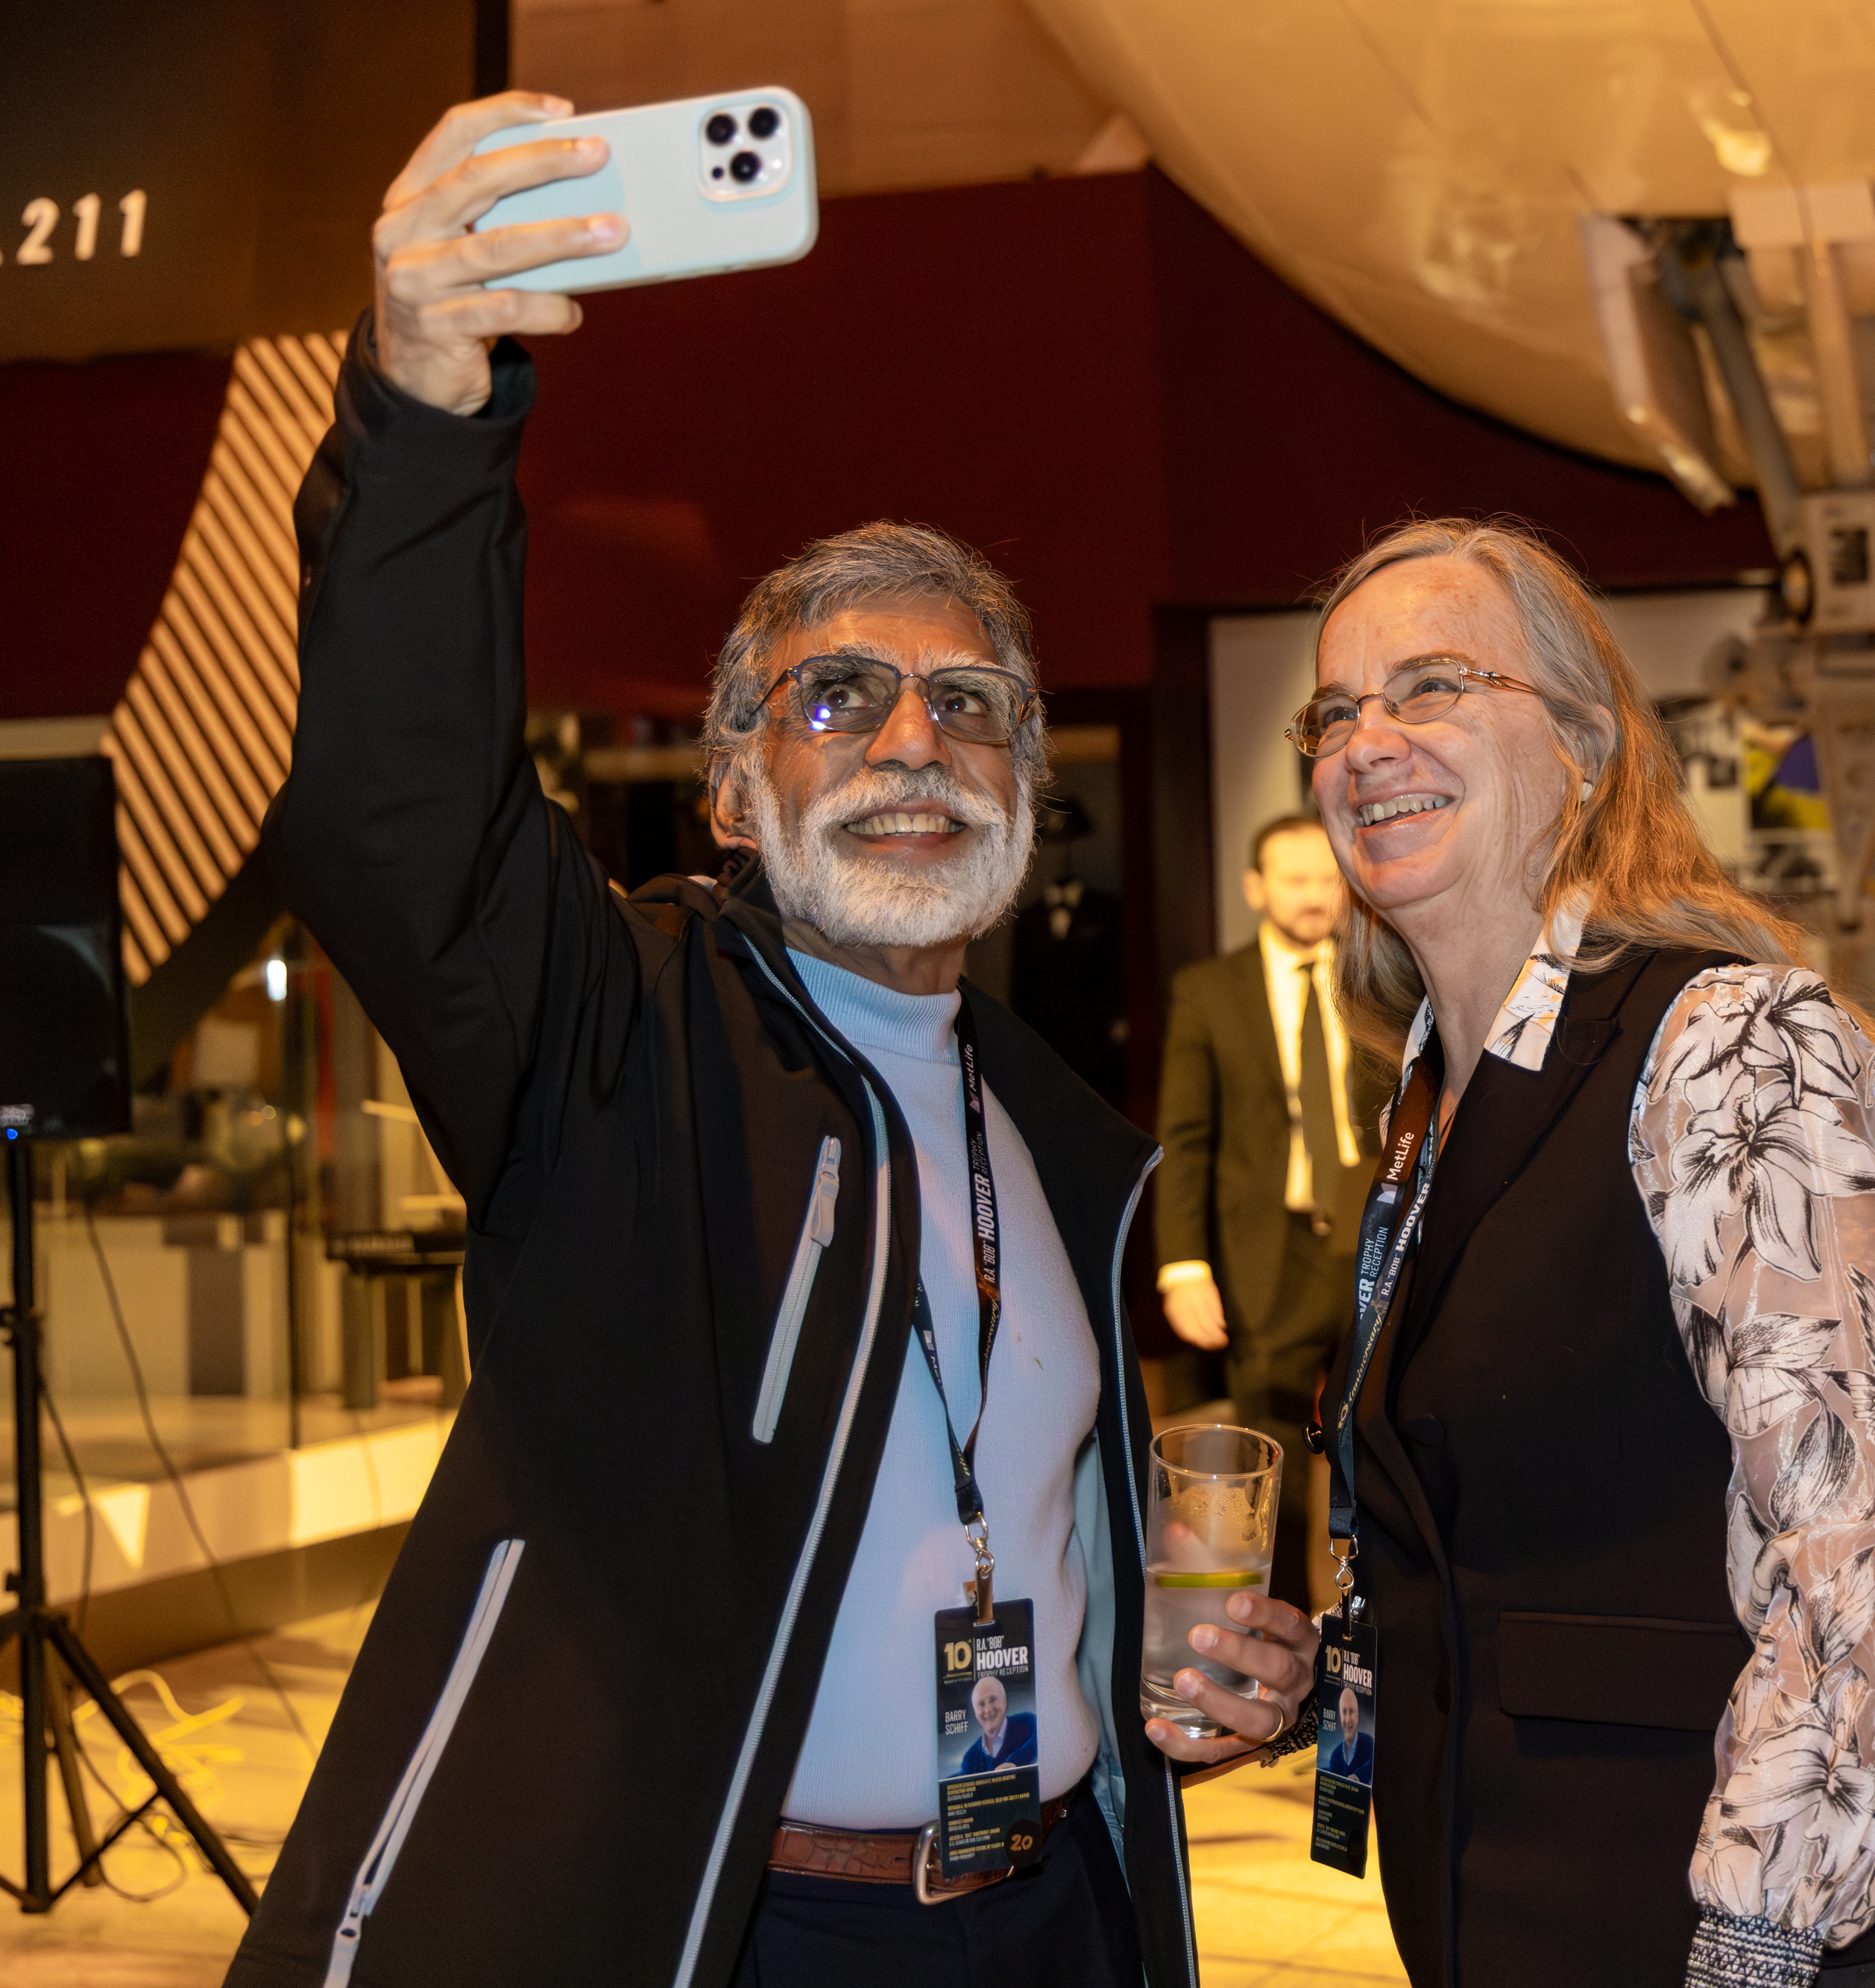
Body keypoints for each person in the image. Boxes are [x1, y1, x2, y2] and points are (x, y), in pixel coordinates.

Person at [228, 95, 1314, 1988]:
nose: (911, 741)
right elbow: (398, 822)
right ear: (734, 789)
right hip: (731, 1933)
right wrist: (420, 411)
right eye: (837, 699)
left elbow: (1022, 1542)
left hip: (1052, 1914)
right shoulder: (611, 1041)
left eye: (965, 704)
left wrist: (1181, 1653)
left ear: (1024, 792)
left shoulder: (1065, 1142)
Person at [1299, 520, 1875, 1987]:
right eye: (1333, 709)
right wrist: (1312, 1677)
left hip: (1729, 1939)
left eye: (1428, 686)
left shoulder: (1725, 1037)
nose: (1367, 741)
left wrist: (1751, 1940)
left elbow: (1857, 1538)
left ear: (1585, 747)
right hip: (1512, 1914)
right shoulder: (1427, 1099)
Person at [1153, 814, 1376, 1610]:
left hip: (1371, 1245)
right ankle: (1274, 1639)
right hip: (1266, 1256)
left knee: (1382, 1446)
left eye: (1327, 878)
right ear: (1256, 889)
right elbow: (1184, 1139)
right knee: (1269, 1461)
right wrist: (1184, 1266)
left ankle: (1374, 1639)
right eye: (1295, 879)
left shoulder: (1385, 981)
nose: (1315, 896)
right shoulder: (1209, 991)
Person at [961, 1676, 1040, 1776]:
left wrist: (1015, 1762)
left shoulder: (1028, 1722)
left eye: (993, 1700)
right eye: (981, 1704)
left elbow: (1039, 1738)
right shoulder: (970, 1759)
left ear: (1005, 1701)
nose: (988, 1710)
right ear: (975, 1712)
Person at [1319, 1686, 1374, 1784]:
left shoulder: (1369, 1742)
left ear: (1357, 1715)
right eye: (1344, 1712)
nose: (1348, 1719)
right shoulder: (1335, 1756)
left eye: (1351, 1712)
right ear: (1340, 1717)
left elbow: (1372, 1765)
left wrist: (1358, 1776)